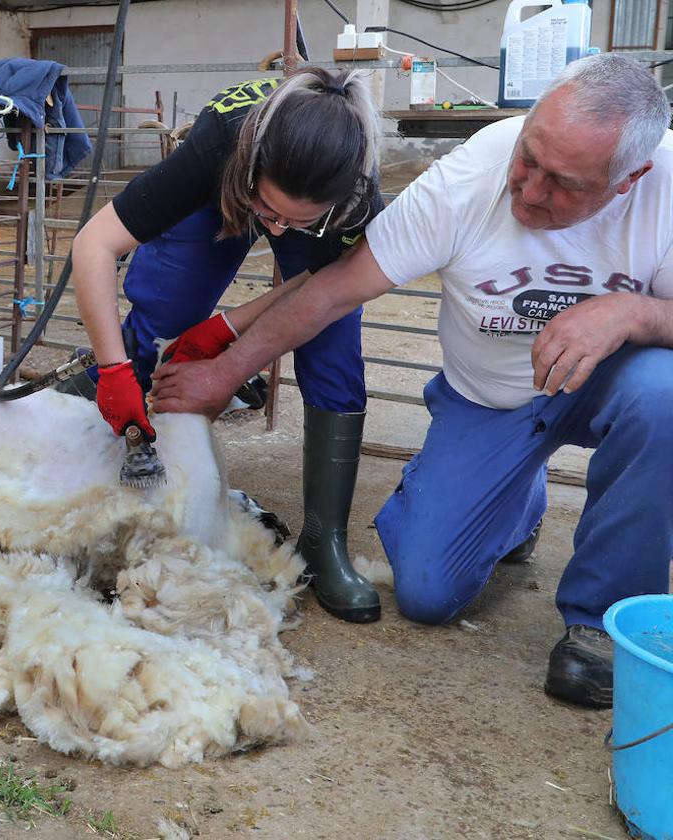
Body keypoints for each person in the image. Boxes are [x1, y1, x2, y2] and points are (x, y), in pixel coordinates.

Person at [150, 53, 673, 709]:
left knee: (663, 394)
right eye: (529, 157)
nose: (531, 190)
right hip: (491, 401)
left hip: (610, 387)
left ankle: (603, 624)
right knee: (427, 592)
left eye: (563, 183)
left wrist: (632, 311)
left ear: (630, 179)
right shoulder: (471, 177)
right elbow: (336, 290)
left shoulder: (668, 191)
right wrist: (227, 370)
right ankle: (517, 499)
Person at [68, 67, 385, 623]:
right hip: (220, 188)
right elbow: (95, 243)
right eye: (271, 214)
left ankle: (323, 537)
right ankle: (113, 430)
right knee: (170, 306)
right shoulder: (219, 145)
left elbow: (318, 287)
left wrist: (231, 339)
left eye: (297, 220)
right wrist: (112, 366)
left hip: (310, 221)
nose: (279, 231)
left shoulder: (355, 198)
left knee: (333, 349)